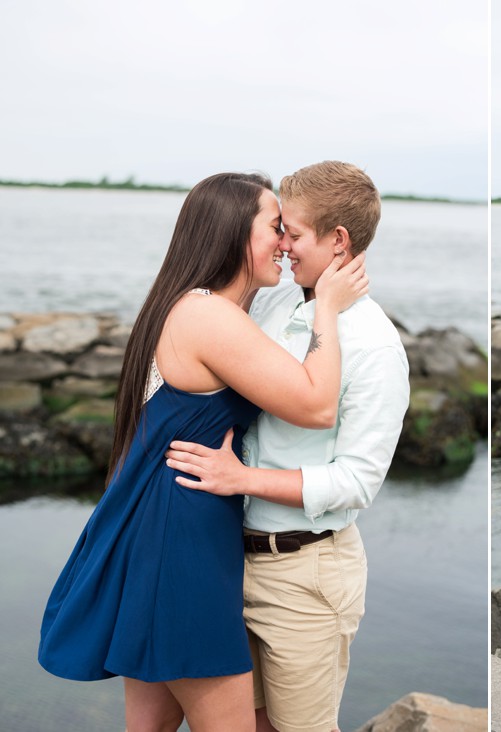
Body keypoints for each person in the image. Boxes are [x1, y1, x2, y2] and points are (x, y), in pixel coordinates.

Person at [38, 171, 368, 732]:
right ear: (235, 235)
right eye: (274, 228)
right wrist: (328, 309)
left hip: (165, 531)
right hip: (181, 543)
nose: (284, 243)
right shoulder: (207, 315)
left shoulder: (192, 306)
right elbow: (316, 407)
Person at [164, 161, 411, 732]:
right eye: (277, 230)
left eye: (291, 233)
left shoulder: (374, 346)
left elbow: (357, 482)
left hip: (306, 575)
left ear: (339, 241)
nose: (280, 245)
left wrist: (241, 479)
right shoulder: (272, 301)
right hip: (226, 561)